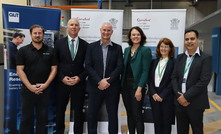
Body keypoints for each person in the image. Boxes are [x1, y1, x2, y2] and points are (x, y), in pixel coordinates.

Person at [16, 24, 57, 134]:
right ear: (30, 35)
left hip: (44, 90)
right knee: (26, 119)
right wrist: (30, 87)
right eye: (35, 33)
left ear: (43, 34)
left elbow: (54, 69)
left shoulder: (51, 51)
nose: (37, 35)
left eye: (40, 33)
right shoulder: (23, 51)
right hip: (27, 90)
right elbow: (19, 70)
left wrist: (45, 85)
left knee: (42, 119)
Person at [85, 22, 123, 134]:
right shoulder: (91, 47)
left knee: (112, 115)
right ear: (100, 30)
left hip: (112, 87)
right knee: (92, 114)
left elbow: (120, 67)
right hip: (94, 86)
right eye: (104, 30)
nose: (106, 32)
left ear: (112, 32)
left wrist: (107, 81)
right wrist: (99, 81)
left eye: (108, 30)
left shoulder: (117, 48)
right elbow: (88, 65)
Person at [171, 29, 212, 134]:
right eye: (187, 39)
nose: (189, 41)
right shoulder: (180, 58)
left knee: (197, 130)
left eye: (192, 39)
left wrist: (186, 96)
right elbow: (174, 77)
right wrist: (179, 96)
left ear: (197, 40)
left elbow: (203, 81)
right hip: (179, 102)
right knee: (181, 131)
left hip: (196, 102)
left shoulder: (205, 58)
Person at [54, 18, 88, 134]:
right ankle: (59, 132)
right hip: (62, 83)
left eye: (76, 25)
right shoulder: (58, 43)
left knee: (78, 112)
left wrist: (79, 77)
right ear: (67, 27)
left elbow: (88, 67)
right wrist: (62, 77)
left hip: (78, 84)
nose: (74, 27)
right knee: (60, 111)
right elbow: (55, 64)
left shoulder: (85, 45)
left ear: (79, 28)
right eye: (71, 25)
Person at [121, 26, 152, 134]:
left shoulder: (145, 50)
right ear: (130, 36)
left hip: (137, 86)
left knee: (137, 114)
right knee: (129, 113)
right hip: (125, 86)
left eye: (138, 34)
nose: (136, 36)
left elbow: (145, 71)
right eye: (133, 34)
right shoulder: (126, 50)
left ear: (141, 36)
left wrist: (139, 89)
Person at [148, 38, 175, 134]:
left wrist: (162, 95)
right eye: (162, 46)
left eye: (166, 47)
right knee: (157, 122)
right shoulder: (154, 62)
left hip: (167, 97)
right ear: (159, 48)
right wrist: (153, 93)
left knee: (166, 123)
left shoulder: (173, 62)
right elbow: (150, 80)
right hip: (154, 97)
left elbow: (173, 81)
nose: (163, 49)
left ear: (170, 48)